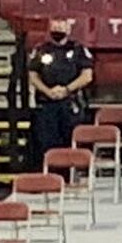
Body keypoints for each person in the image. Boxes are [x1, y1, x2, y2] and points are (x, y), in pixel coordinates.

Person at [24, 18, 98, 172]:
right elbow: (33, 75)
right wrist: (47, 91)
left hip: (70, 103)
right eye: (55, 27)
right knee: (46, 141)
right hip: (46, 103)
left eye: (61, 27)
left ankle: (71, 174)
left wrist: (66, 89)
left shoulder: (78, 50)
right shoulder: (41, 49)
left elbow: (87, 76)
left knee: (69, 140)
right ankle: (47, 174)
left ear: (68, 30)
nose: (58, 30)